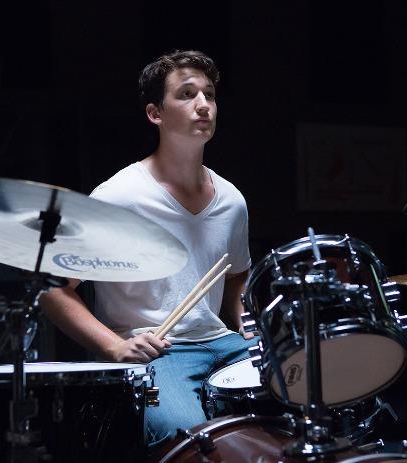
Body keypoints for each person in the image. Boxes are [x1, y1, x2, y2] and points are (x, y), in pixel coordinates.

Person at [39, 50, 255, 446]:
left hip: (224, 342)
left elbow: (236, 272)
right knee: (190, 441)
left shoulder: (232, 201)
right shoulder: (118, 197)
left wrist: (243, 319)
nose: (204, 105)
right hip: (159, 350)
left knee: (302, 402)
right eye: (187, 94)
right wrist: (114, 346)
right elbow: (54, 289)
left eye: (209, 94)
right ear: (155, 113)